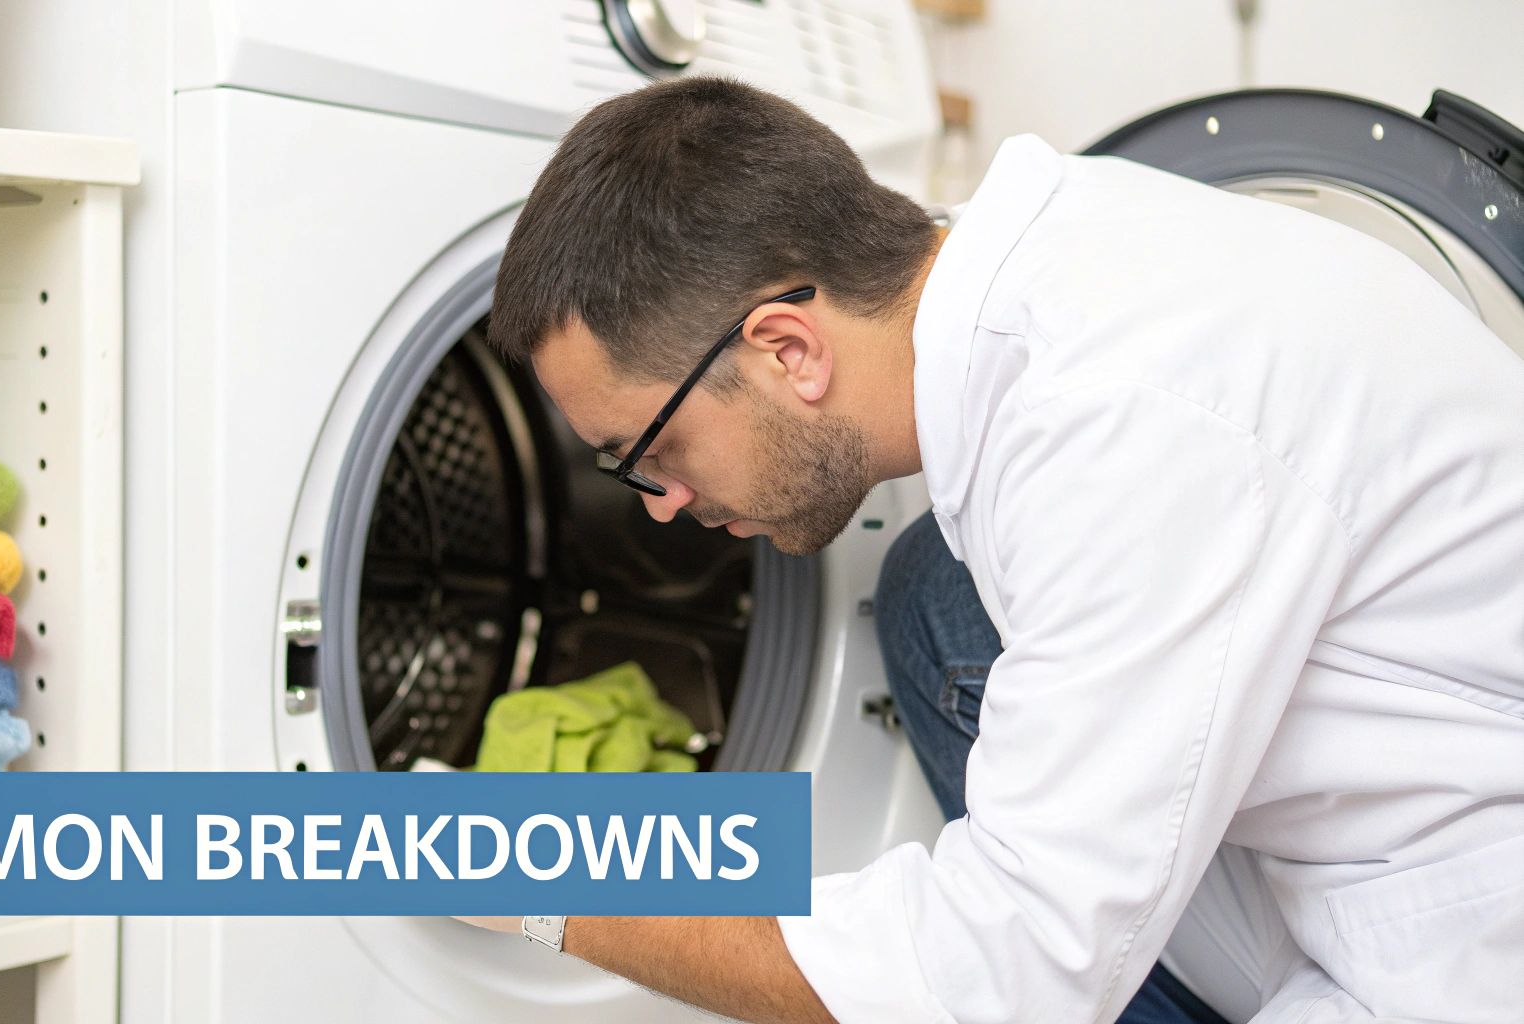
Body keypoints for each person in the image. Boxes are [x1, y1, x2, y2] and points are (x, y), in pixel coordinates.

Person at [455, 76, 1524, 1024]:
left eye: (649, 449)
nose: (657, 504)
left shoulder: (1114, 420)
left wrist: (544, 889)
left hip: (1462, 934)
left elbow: (1002, 976)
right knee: (929, 592)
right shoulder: (1033, 254)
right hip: (1362, 796)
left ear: (785, 349)